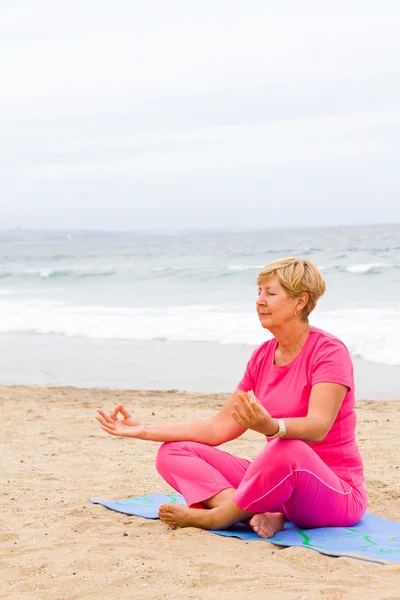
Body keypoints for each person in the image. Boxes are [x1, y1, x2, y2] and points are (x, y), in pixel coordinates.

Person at [96, 257, 367, 538]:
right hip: (279, 482)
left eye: (270, 293)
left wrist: (274, 428)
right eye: (259, 292)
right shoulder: (262, 356)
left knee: (286, 448)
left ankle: (217, 517)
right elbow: (217, 429)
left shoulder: (329, 352)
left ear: (300, 302)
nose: (260, 301)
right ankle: (250, 511)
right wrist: (146, 431)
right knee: (173, 451)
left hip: (336, 493)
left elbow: (319, 426)